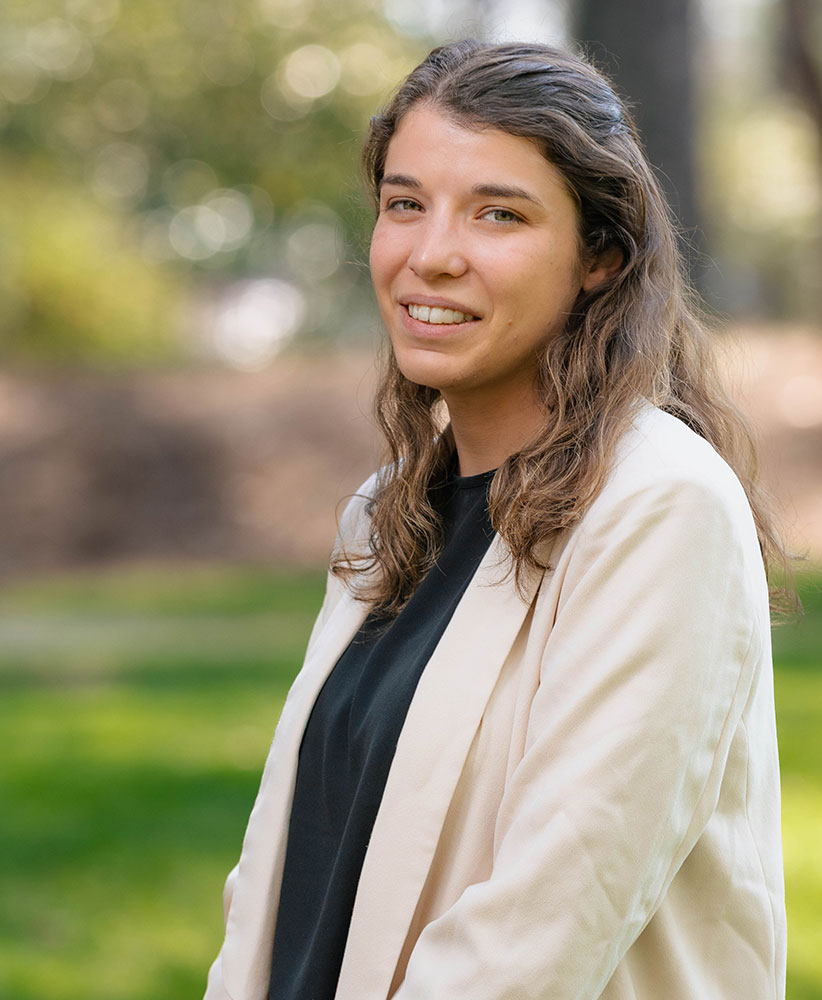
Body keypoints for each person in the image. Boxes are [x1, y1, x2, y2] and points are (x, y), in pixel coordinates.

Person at [205, 39, 791, 1000]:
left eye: (499, 214)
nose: (432, 255)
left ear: (599, 256)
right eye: (406, 203)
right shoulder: (387, 510)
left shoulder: (658, 510)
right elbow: (277, 880)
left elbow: (539, 930)